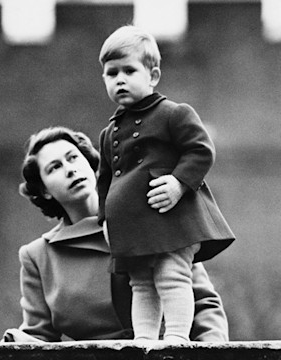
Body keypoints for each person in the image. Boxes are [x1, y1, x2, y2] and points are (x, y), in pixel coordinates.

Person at [3, 126, 228, 342]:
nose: (70, 169)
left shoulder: (149, 219)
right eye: (54, 167)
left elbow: (204, 305)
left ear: (90, 164)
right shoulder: (37, 256)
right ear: (44, 190)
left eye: (73, 158)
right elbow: (39, 338)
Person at [96, 25, 235, 343]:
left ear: (153, 75)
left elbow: (201, 151)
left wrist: (178, 183)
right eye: (110, 73)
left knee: (173, 276)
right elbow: (104, 180)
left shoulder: (173, 113)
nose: (119, 79)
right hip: (132, 225)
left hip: (170, 219)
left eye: (129, 70)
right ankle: (144, 340)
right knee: (141, 282)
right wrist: (105, 219)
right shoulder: (109, 133)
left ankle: (176, 337)